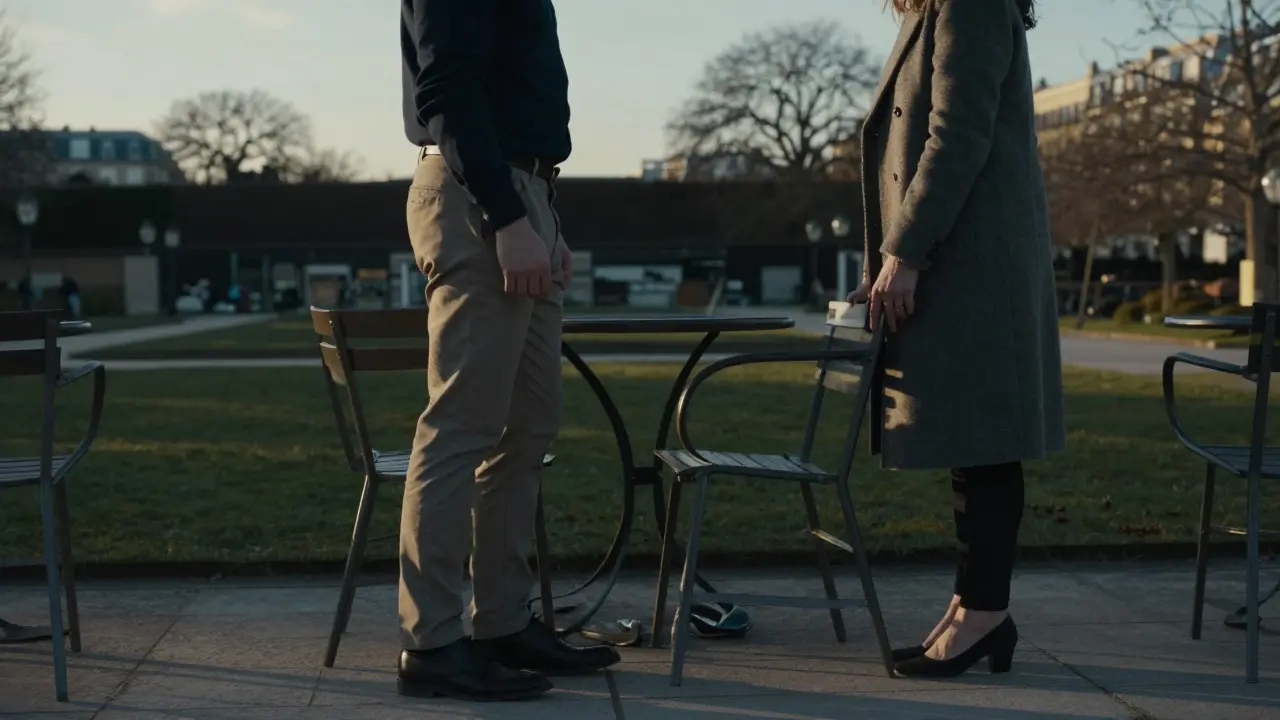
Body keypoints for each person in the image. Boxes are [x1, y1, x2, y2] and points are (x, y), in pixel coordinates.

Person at [397, 0, 619, 703]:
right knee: (462, 425)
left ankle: (502, 623)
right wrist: (506, 213)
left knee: (528, 426)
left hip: (525, 194)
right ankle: (432, 642)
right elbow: (446, 86)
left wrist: (543, 218)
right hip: (481, 195)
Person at [851, 0, 1064, 678]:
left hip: (973, 259)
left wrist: (904, 252)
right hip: (960, 255)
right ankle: (974, 606)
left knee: (987, 440)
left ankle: (984, 614)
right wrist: (886, 264)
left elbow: (957, 133)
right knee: (976, 444)